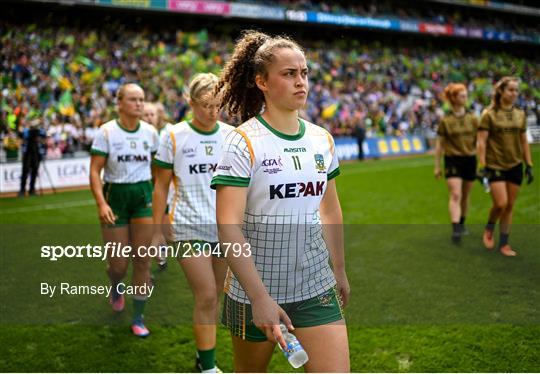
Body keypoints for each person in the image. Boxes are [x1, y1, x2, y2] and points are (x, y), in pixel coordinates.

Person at [211, 30, 350, 372]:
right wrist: (259, 297)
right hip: (255, 291)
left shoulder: (322, 139)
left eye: (304, 73)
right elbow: (228, 226)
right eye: (289, 74)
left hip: (315, 284)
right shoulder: (242, 142)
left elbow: (330, 208)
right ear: (261, 81)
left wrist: (340, 270)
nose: (300, 81)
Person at [152, 73, 234, 373]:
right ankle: (208, 367)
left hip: (224, 229)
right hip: (187, 226)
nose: (213, 112)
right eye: (206, 105)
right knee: (207, 294)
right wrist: (157, 231)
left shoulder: (231, 135)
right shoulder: (173, 136)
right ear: (191, 103)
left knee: (217, 296)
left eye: (218, 105)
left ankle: (202, 357)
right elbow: (160, 186)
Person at [89, 83, 158, 337]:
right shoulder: (106, 133)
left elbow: (156, 171)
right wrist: (101, 203)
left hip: (142, 199)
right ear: (119, 103)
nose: (139, 104)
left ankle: (138, 318)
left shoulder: (151, 133)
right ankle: (115, 285)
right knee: (118, 265)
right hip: (115, 198)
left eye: (141, 99)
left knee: (142, 260)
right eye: (133, 99)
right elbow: (95, 171)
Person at [477, 77, 534, 257]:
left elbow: (523, 141)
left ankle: (504, 244)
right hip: (495, 165)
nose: (514, 93)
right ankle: (489, 227)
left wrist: (529, 164)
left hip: (515, 164)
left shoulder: (520, 114)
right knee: (500, 204)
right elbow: (481, 143)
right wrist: (482, 165)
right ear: (501, 91)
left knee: (509, 205)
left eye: (516, 90)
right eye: (511, 89)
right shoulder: (489, 114)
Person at [434, 83, 479, 243]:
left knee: (465, 195)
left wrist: (482, 162)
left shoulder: (473, 118)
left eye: (466, 95)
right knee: (455, 194)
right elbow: (439, 144)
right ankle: (456, 229)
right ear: (454, 98)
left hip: (470, 160)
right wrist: (437, 166)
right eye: (462, 95)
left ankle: (461, 222)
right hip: (453, 160)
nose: (465, 98)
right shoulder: (446, 121)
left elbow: (480, 141)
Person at [19, 119, 46, 196]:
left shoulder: (39, 131)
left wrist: (39, 126)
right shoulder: (26, 131)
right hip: (27, 154)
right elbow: (23, 135)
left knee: (34, 172)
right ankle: (22, 190)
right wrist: (29, 127)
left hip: (36, 154)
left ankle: (32, 189)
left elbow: (43, 134)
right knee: (25, 172)